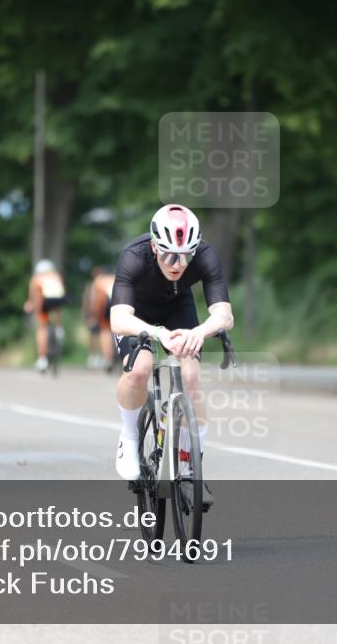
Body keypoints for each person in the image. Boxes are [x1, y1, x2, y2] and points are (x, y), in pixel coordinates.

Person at [109, 204, 234, 507]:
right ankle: (129, 438)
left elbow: (224, 315)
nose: (177, 264)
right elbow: (118, 319)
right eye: (167, 255)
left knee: (191, 377)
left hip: (178, 307)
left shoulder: (205, 255)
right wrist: (158, 333)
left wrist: (199, 332)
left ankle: (191, 469)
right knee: (141, 369)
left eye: (186, 255)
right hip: (137, 312)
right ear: (154, 246)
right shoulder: (134, 256)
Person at [23, 259, 66, 373]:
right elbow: (60, 293)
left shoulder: (36, 278)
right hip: (57, 301)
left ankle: (42, 360)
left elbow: (33, 297)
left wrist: (31, 306)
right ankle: (58, 328)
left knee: (41, 328)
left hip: (43, 300)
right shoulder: (56, 276)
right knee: (57, 309)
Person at [83, 266, 116, 370]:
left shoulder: (98, 281)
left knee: (105, 330)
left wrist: (94, 317)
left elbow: (97, 302)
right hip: (119, 299)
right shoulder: (114, 277)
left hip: (106, 301)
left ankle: (108, 359)